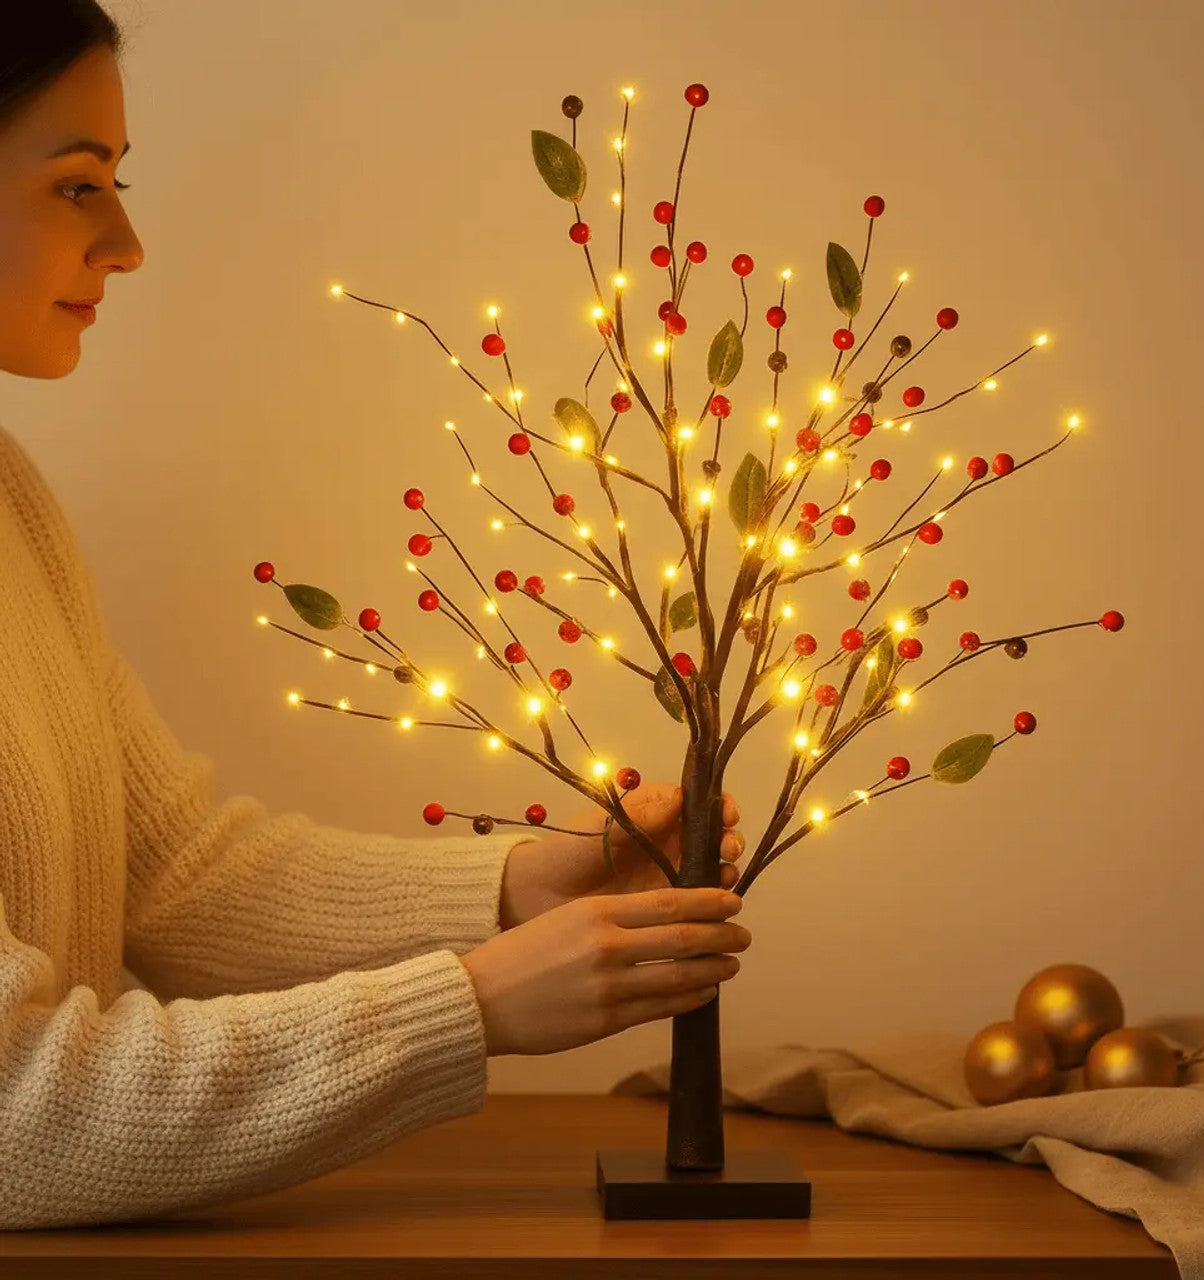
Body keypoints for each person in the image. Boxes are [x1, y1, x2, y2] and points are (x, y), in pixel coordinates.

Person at [0, 1, 751, 1230]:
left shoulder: (9, 501)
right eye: (79, 186)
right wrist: (474, 1004)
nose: (127, 245)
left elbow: (172, 876)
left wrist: (515, 890)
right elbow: (14, 1111)